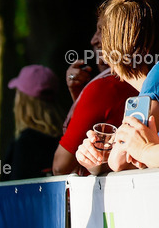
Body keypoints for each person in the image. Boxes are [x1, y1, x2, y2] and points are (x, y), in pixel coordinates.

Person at [76, 0, 157, 174]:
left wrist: (139, 150)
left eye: (101, 32)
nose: (95, 41)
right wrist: (95, 158)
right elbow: (123, 160)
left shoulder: (155, 79)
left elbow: (120, 162)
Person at [52, 17, 139, 175]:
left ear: (122, 36)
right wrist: (79, 96)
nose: (93, 40)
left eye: (101, 30)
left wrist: (90, 93)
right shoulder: (145, 77)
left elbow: (60, 167)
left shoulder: (104, 87)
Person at [1, 65, 64, 180]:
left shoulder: (25, 143)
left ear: (22, 101)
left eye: (17, 93)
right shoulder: (66, 140)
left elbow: (13, 191)